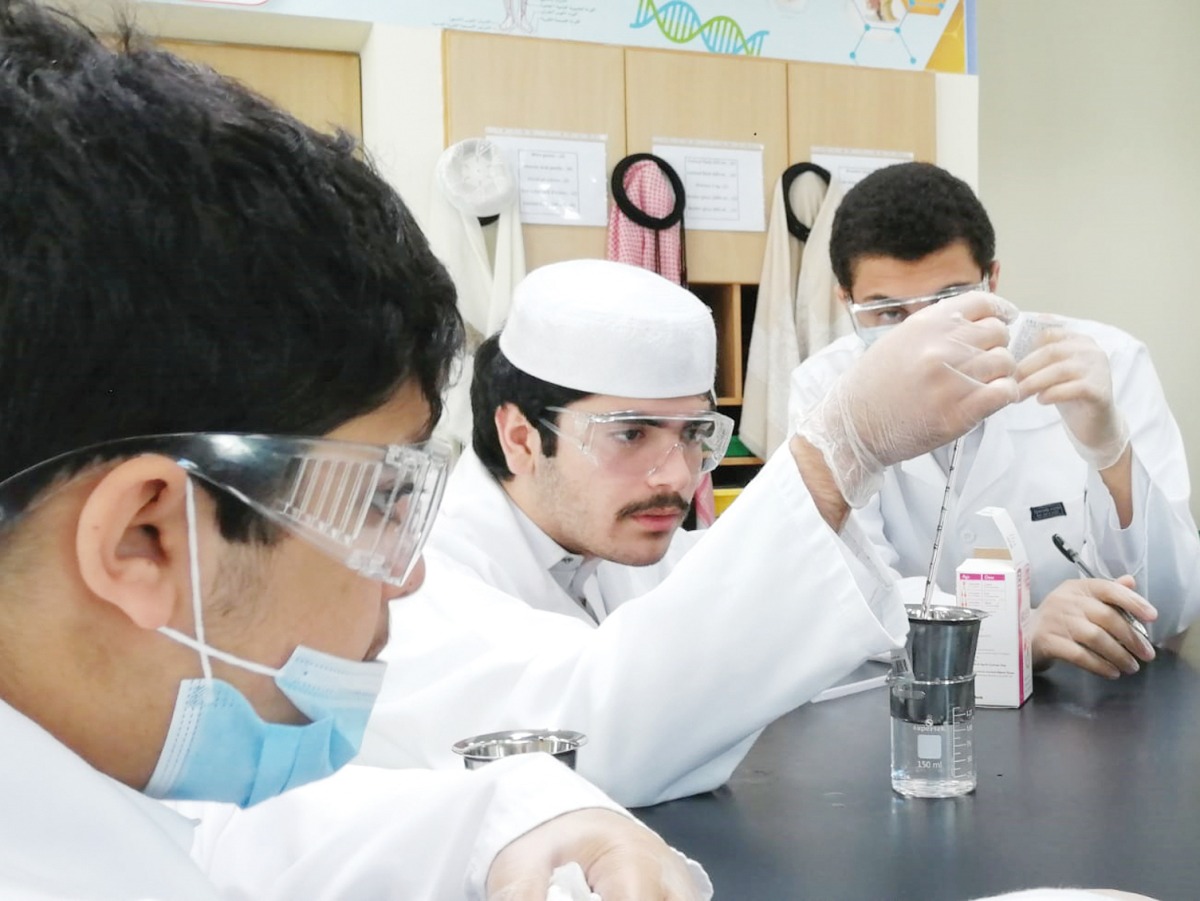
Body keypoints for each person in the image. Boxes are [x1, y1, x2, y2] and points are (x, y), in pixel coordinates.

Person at [0, 3, 706, 897]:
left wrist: (516, 818)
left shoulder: (73, 752)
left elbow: (206, 836)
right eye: (377, 496)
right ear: (146, 535)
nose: (405, 576)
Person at [358, 256, 1021, 806]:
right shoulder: (417, 573)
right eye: (631, 433)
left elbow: (722, 603)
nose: (675, 475)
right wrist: (840, 449)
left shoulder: (595, 537)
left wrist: (1007, 622)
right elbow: (588, 737)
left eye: (693, 434)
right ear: (521, 435)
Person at [789, 161, 1200, 681]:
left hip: (1093, 708)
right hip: (917, 702)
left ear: (994, 279)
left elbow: (1171, 606)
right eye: (889, 314)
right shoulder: (823, 391)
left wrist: (1110, 454)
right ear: (846, 302)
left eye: (952, 300)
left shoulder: (1109, 363)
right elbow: (849, 599)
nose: (927, 338)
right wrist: (1017, 632)